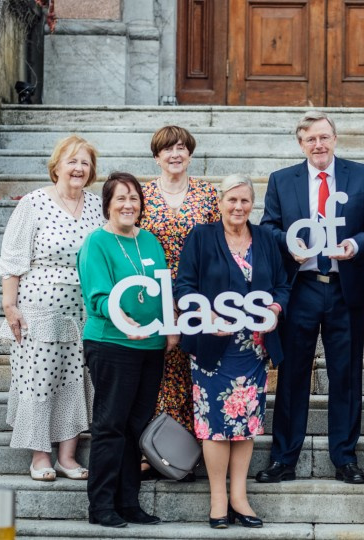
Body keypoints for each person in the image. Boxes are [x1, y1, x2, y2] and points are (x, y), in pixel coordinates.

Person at [257, 111, 364, 485]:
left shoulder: (358, 175)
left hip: (345, 287)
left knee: (345, 376)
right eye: (310, 139)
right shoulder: (283, 180)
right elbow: (268, 227)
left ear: (335, 139)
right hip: (301, 288)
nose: (318, 145)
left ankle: (345, 458)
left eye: (324, 138)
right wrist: (288, 242)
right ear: (301, 143)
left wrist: (355, 244)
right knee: (293, 374)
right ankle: (284, 458)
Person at [175, 175, 290, 529]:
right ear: (220, 202)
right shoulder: (201, 237)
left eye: (244, 201)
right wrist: (204, 315)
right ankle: (218, 499)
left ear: (251, 204)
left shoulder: (267, 239)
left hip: (253, 349)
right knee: (214, 426)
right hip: (213, 347)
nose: (238, 207)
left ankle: (240, 496)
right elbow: (183, 286)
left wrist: (273, 311)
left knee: (246, 425)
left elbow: (283, 286)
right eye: (232, 200)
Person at [0, 135, 102, 482]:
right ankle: (41, 455)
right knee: (40, 379)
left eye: (85, 162)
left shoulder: (97, 205)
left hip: (84, 310)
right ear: (56, 165)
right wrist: (9, 306)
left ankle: (68, 457)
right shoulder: (34, 203)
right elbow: (13, 258)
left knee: (75, 378)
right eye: (72, 161)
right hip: (39, 307)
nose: (78, 168)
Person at [78, 172, 171, 528]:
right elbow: (98, 297)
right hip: (112, 343)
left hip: (151, 345)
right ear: (107, 204)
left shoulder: (148, 241)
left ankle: (129, 502)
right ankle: (101, 506)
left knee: (136, 426)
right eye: (121, 198)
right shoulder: (97, 243)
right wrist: (125, 321)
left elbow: (161, 289)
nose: (129, 204)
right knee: (110, 425)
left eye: (134, 198)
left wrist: (169, 326)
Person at [140, 125, 220, 450]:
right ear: (157, 156)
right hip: (152, 292)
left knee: (193, 372)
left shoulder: (207, 194)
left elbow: (218, 244)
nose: (175, 154)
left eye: (181, 148)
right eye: (167, 149)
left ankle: (188, 451)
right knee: (158, 373)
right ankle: (155, 449)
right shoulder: (142, 194)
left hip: (197, 292)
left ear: (189, 153)